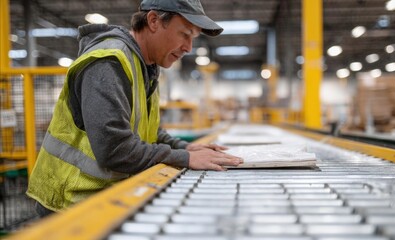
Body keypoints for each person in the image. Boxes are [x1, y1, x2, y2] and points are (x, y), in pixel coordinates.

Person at [27, 0, 242, 217]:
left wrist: (185, 148)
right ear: (154, 21)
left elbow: (146, 132)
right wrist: (183, 158)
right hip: (70, 204)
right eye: (184, 34)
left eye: (192, 38)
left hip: (103, 199)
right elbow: (114, 149)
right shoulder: (108, 62)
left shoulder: (145, 66)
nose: (188, 48)